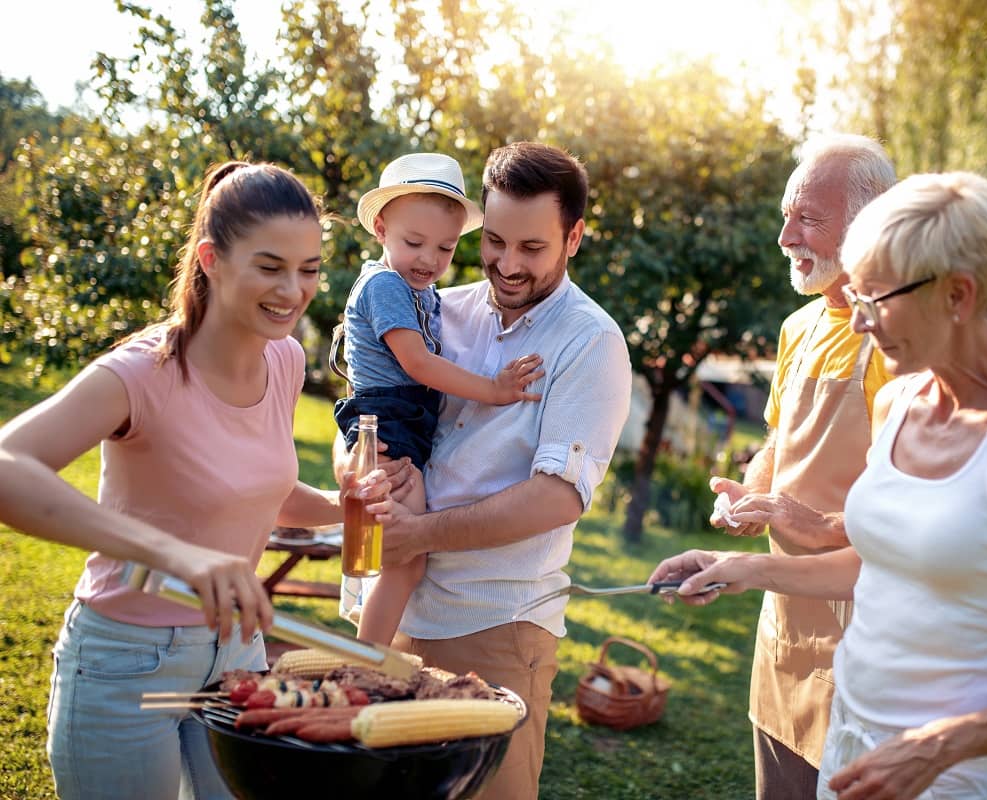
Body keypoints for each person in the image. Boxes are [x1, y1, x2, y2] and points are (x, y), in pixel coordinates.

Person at [654, 171, 987, 799]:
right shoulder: (899, 401)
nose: (859, 323)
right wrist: (742, 566)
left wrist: (941, 744)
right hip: (851, 747)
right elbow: (875, 569)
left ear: (959, 296)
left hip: (957, 775)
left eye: (874, 300)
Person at [0, 161, 392, 800]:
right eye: (269, 267)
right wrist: (174, 555)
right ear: (210, 258)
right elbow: (7, 467)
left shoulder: (286, 359)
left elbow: (254, 491)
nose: (293, 290)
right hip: (126, 658)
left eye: (309, 269)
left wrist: (339, 503)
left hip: (237, 654)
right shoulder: (141, 373)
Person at [340, 141, 632, 799]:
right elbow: (371, 400)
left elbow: (557, 498)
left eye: (531, 248)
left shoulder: (591, 342)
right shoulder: (443, 305)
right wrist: (358, 466)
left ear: (574, 236)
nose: (506, 263)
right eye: (494, 241)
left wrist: (420, 536)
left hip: (494, 625)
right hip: (401, 609)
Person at [690, 133, 897, 800]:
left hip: (861, 638)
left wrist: (810, 519)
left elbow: (910, 511)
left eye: (807, 218)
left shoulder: (898, 343)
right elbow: (778, 445)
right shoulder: (797, 329)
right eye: (787, 213)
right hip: (780, 630)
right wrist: (748, 496)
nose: (785, 236)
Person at [335, 152, 544, 645]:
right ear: (381, 229)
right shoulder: (386, 285)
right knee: (402, 559)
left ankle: (366, 654)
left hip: (405, 418)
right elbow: (418, 363)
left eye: (445, 248)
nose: (429, 260)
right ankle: (363, 660)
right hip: (390, 420)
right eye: (414, 243)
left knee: (398, 555)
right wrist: (492, 390)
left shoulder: (421, 291)